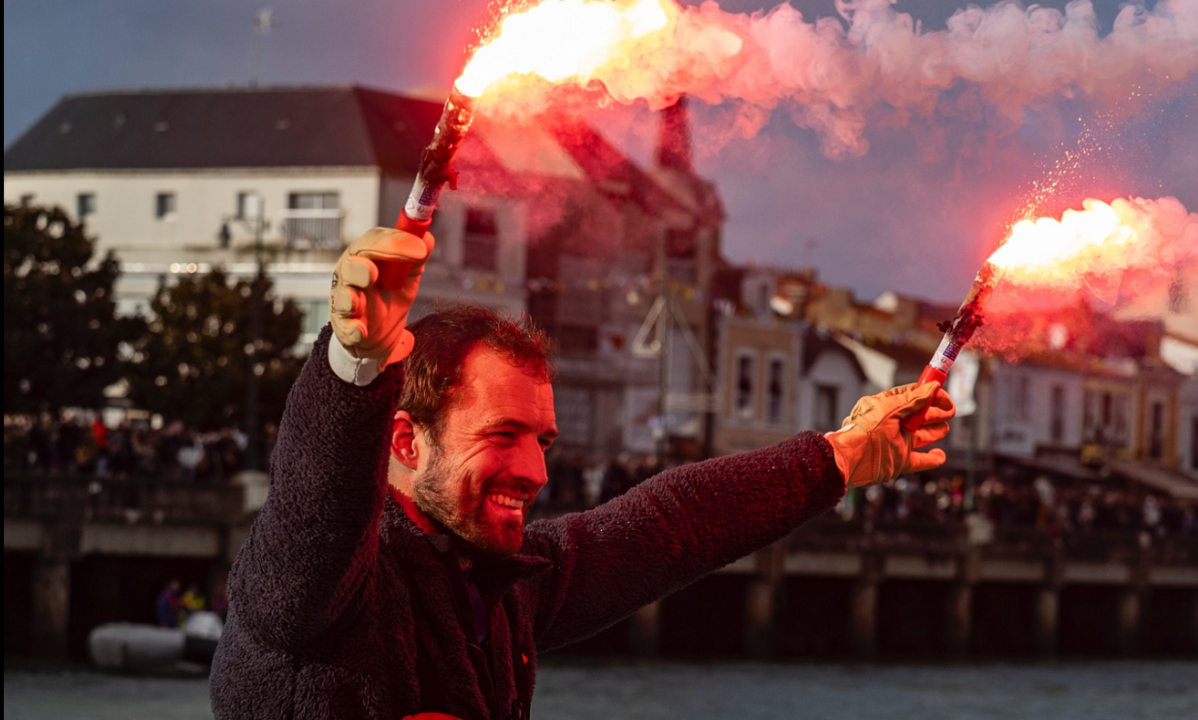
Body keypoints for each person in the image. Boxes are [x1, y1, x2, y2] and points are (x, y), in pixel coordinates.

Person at [210, 227, 954, 719]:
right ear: (404, 440)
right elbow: (317, 504)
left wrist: (839, 456)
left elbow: (673, 525)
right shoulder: (313, 590)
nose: (533, 469)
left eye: (542, 439)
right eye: (503, 434)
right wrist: (355, 365)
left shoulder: (504, 588)